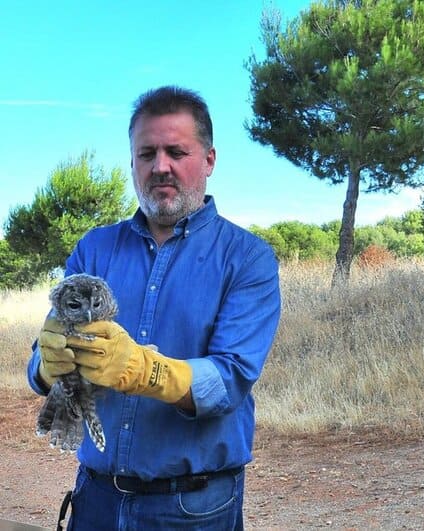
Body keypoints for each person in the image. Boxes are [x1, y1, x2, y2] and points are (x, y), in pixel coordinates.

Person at [28, 86, 281, 530]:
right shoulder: (94, 249)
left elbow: (231, 378)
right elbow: (40, 362)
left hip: (194, 508)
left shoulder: (247, 258)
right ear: (132, 163)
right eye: (146, 154)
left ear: (209, 160)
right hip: (96, 498)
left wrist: (146, 371)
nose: (160, 166)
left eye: (176, 152)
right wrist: (48, 364)